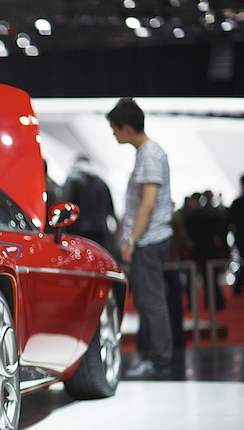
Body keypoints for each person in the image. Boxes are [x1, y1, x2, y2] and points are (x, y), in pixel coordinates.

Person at [107, 98, 174, 378]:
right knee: (149, 300)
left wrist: (131, 240)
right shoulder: (147, 153)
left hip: (149, 239)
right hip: (150, 238)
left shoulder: (149, 155)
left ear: (126, 128)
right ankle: (155, 356)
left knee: (151, 301)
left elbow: (148, 203)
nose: (113, 134)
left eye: (114, 129)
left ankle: (159, 360)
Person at [61, 155, 118, 252]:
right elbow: (111, 211)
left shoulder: (72, 179)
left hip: (78, 232)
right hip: (100, 232)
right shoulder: (102, 182)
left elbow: (65, 206)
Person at [227, 174, 244, 295]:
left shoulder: (237, 203)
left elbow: (229, 221)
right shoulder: (237, 203)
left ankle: (238, 286)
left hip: (240, 237)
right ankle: (238, 285)